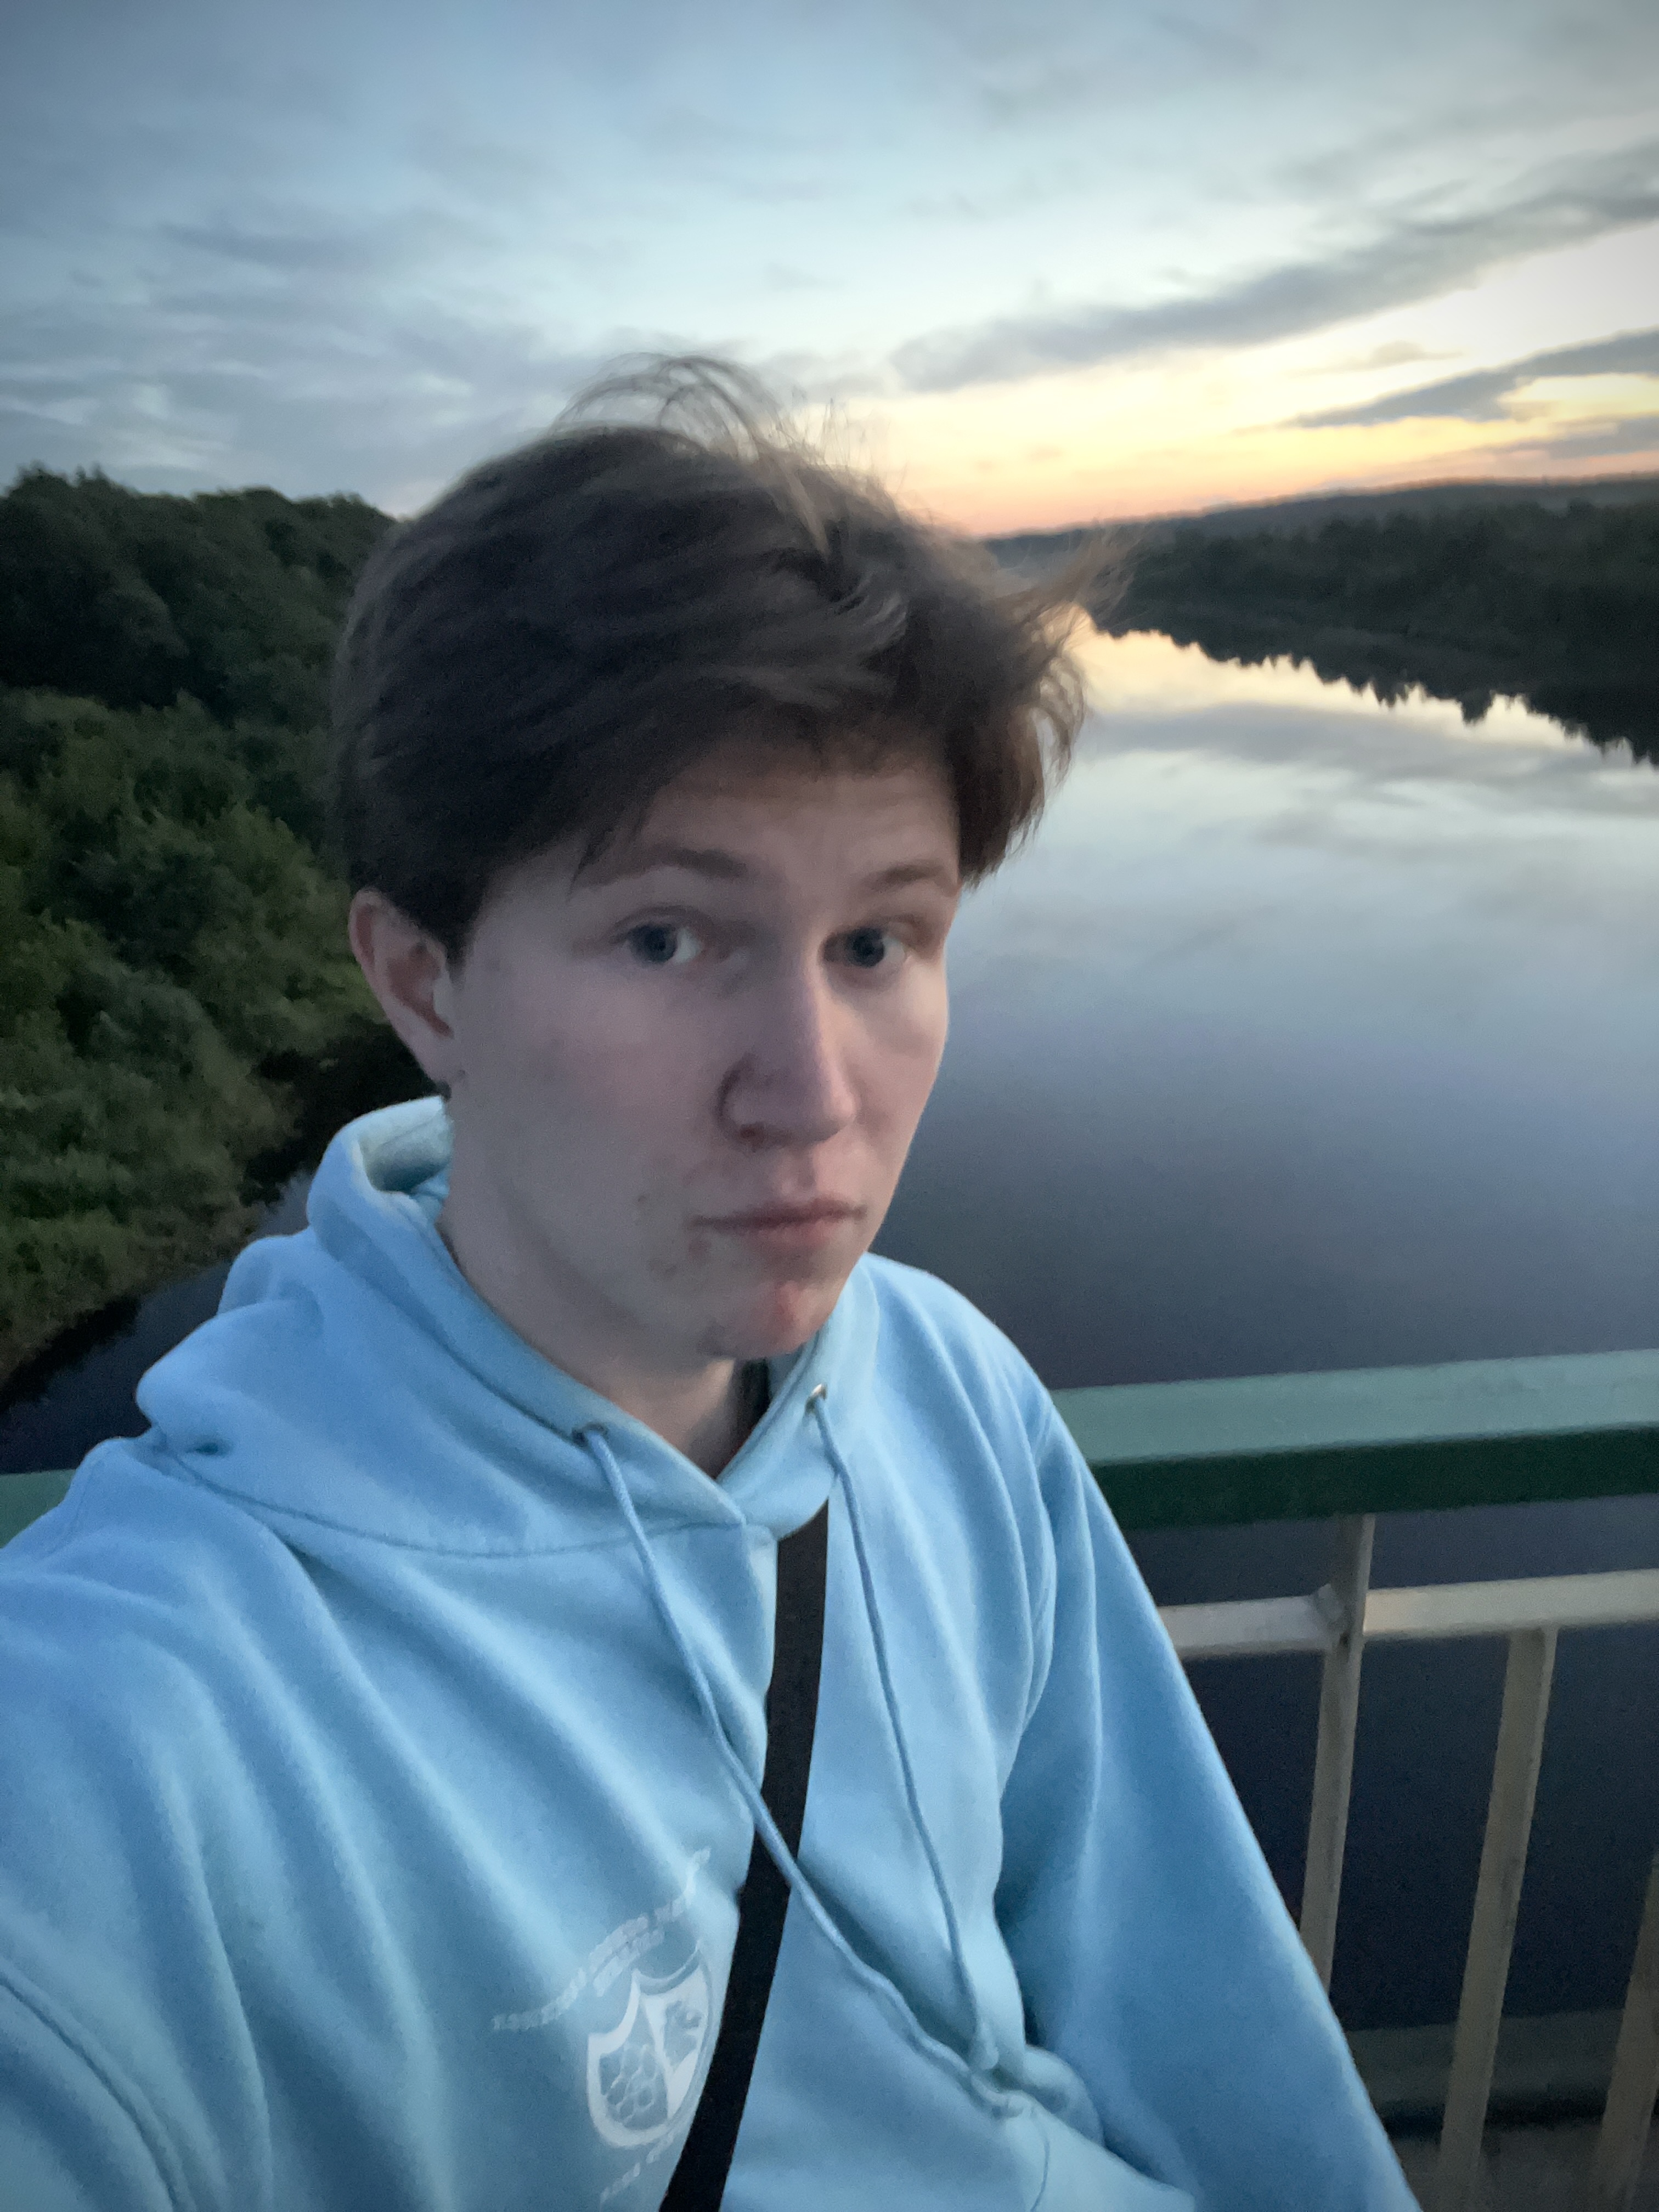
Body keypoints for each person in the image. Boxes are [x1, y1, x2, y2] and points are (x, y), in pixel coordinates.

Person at [0, 359, 1414, 2211]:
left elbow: (1207, 2035)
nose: (812, 1094)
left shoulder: (949, 1389)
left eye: (877, 941)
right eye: (668, 937)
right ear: (421, 980)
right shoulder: (132, 1725)